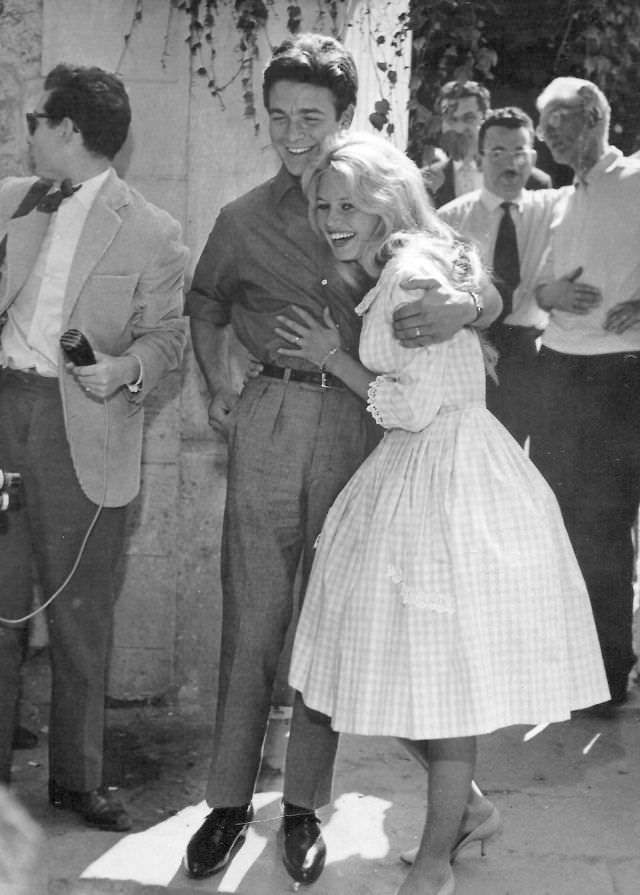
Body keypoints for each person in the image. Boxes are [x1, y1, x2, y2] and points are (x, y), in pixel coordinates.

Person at [183, 33, 502, 884]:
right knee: (252, 614)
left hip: (368, 425)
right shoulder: (241, 218)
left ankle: (302, 809)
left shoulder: (376, 194)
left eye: (311, 118)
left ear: (346, 118)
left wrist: (470, 303)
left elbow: (465, 264)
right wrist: (219, 378)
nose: (293, 133)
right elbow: (205, 303)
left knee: (329, 626)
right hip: (272, 416)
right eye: (278, 115)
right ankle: (223, 803)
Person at [276, 131, 609, 895]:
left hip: (439, 476)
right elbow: (477, 306)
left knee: (433, 679)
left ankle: (434, 859)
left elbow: (412, 403)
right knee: (386, 663)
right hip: (441, 467)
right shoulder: (422, 257)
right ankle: (468, 811)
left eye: (349, 204)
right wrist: (472, 302)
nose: (332, 217)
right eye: (323, 204)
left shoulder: (407, 274)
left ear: (388, 201)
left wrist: (334, 357)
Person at [0, 64, 188, 830]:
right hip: (2, 411)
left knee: (80, 614)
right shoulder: (11, 201)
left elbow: (169, 339)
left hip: (80, 424)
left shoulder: (152, 229)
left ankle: (78, 781)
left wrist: (124, 369)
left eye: (36, 118)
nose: (27, 129)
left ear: (68, 129)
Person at [530, 77, 640, 708]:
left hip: (617, 375)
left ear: (596, 115)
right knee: (558, 523)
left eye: (560, 122)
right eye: (544, 127)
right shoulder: (564, 198)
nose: (548, 137)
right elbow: (541, 289)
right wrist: (553, 296)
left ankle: (605, 672)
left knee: (603, 523)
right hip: (560, 369)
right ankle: (571, 666)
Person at [439, 107, 565, 445]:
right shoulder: (450, 219)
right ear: (480, 158)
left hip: (530, 355)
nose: (510, 162)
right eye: (497, 152)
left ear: (533, 157)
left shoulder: (553, 209)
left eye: (519, 152)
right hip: (473, 351)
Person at [423, 81, 551, 208]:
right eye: (452, 119)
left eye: (468, 118)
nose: (459, 128)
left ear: (486, 118)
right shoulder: (425, 182)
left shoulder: (534, 182)